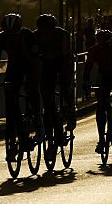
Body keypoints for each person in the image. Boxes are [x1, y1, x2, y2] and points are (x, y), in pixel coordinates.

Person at [0, 13, 42, 145]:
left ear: (19, 30)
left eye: (14, 35)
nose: (12, 38)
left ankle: (38, 120)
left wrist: (32, 80)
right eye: (8, 35)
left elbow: (35, 60)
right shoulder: (0, 39)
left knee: (32, 89)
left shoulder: (28, 35)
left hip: (30, 64)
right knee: (10, 97)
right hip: (14, 65)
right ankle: (16, 127)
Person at [82, 29, 112, 154]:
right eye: (102, 44)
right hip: (104, 75)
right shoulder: (94, 50)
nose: (104, 46)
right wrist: (85, 82)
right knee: (101, 106)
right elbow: (88, 68)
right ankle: (102, 138)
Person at [34, 14, 75, 145]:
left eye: (48, 30)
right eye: (43, 31)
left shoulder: (62, 35)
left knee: (66, 86)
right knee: (47, 100)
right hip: (46, 64)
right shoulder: (35, 36)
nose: (45, 33)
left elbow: (66, 56)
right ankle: (49, 126)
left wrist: (64, 78)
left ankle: (70, 110)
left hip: (62, 61)